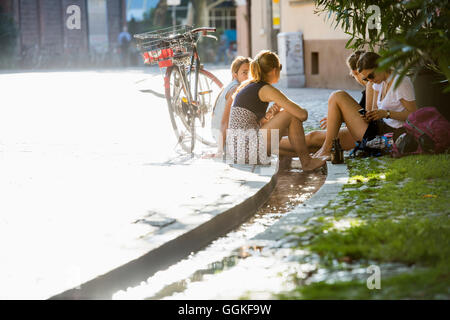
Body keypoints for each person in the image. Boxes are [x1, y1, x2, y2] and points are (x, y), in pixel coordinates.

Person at [226, 50, 325, 171]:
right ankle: (306, 162)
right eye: (280, 68)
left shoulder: (251, 85)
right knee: (290, 114)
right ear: (274, 70)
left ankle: (302, 159)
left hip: (238, 151)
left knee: (289, 119)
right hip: (246, 150)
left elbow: (253, 123)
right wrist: (293, 109)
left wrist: (271, 117)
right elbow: (302, 115)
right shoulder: (265, 88)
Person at [313, 52, 417, 159]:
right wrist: (368, 115)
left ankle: (326, 149)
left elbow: (413, 115)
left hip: (391, 134)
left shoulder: (401, 82)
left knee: (338, 95)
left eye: (371, 76)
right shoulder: (379, 83)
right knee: (315, 137)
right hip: (378, 128)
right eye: (366, 79)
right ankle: (317, 153)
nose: (370, 81)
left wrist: (387, 114)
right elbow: (373, 111)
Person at [298, 50, 370, 155]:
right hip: (363, 133)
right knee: (313, 139)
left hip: (370, 135)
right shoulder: (370, 88)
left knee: (337, 95)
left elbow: (369, 117)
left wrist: (342, 118)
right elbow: (360, 116)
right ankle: (271, 145)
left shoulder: (372, 86)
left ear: (354, 72)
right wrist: (338, 118)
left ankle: (326, 149)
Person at [211, 56, 251, 154]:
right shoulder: (235, 90)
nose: (248, 76)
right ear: (235, 75)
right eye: (244, 72)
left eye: (251, 73)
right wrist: (220, 150)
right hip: (228, 143)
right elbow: (225, 121)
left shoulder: (227, 86)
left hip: (222, 138)